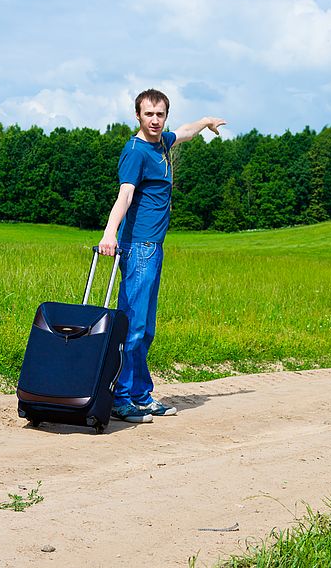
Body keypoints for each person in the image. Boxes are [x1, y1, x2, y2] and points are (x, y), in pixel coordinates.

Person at [98, 89, 226, 423]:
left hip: (154, 249)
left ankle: (140, 394)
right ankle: (120, 398)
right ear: (137, 115)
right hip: (139, 247)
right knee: (132, 327)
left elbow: (184, 132)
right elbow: (125, 195)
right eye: (148, 114)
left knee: (146, 328)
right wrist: (110, 232)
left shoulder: (163, 144)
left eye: (160, 114)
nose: (155, 121)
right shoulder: (136, 152)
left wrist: (206, 121)